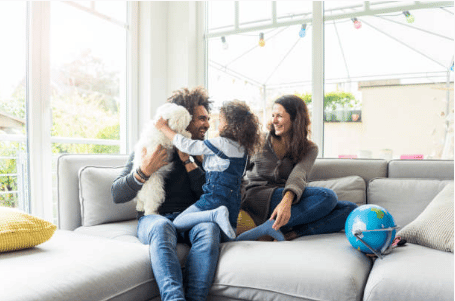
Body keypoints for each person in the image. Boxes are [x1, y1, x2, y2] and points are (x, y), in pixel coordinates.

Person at [111, 87, 217, 301]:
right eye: (201, 118)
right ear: (183, 118)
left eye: (208, 118)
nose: (206, 124)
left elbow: (209, 194)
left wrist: (188, 160)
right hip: (155, 218)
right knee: (161, 226)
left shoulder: (203, 152)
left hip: (192, 218)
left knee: (209, 229)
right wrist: (144, 172)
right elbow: (117, 193)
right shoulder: (149, 146)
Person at [238, 94, 358, 241]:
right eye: (273, 115)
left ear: (295, 118)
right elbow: (238, 171)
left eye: (280, 116)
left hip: (284, 200)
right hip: (256, 197)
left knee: (350, 209)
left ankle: (292, 232)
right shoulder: (259, 140)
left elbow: (299, 174)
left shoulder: (309, 148)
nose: (274, 120)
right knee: (327, 196)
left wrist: (286, 202)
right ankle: (276, 225)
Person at [155, 100, 266, 241]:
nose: (216, 124)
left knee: (177, 223)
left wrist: (164, 128)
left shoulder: (220, 142)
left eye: (220, 120)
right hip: (233, 202)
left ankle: (214, 215)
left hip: (214, 199)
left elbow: (187, 145)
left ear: (230, 124)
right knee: (229, 239)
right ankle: (266, 228)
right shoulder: (243, 149)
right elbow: (224, 166)